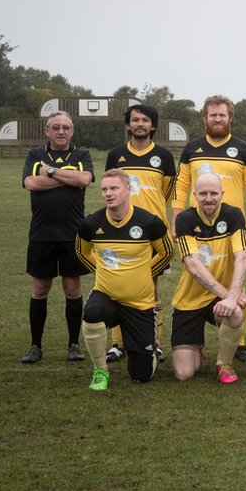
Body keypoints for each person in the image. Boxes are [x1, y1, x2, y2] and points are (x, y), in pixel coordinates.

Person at [172, 95, 246, 363]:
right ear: (205, 118)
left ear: (229, 118)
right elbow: (181, 186)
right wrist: (176, 219)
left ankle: (239, 341)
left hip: (232, 227)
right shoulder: (192, 149)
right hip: (196, 226)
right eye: (213, 115)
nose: (217, 119)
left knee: (238, 275)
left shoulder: (243, 149)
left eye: (222, 115)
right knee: (198, 273)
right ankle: (193, 335)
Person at [76, 169, 173, 390]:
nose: (109, 194)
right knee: (91, 312)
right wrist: (101, 272)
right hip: (106, 296)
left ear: (128, 190)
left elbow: (167, 252)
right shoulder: (91, 223)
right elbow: (82, 252)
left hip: (140, 303)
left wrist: (147, 273)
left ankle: (144, 351)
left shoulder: (149, 222)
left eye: (114, 188)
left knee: (141, 376)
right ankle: (100, 370)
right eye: (104, 189)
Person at [104, 104, 176, 364]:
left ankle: (153, 342)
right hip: (120, 231)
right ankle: (117, 343)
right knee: (118, 285)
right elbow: (110, 189)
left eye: (145, 120)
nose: (140, 124)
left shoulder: (164, 157)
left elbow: (167, 193)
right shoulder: (116, 155)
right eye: (135, 120)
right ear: (128, 125)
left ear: (153, 125)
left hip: (153, 233)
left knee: (151, 287)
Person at [20, 111, 94, 364]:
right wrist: (68, 178)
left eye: (66, 127)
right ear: (47, 131)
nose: (61, 131)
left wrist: (50, 172)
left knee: (72, 289)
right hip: (42, 234)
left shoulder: (81, 155)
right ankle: (35, 346)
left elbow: (85, 179)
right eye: (56, 127)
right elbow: (31, 183)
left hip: (73, 234)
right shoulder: (35, 155)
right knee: (40, 289)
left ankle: (73, 344)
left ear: (72, 131)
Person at [170, 173, 246, 384]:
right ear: (194, 195)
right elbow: (193, 266)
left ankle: (224, 363)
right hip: (190, 299)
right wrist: (228, 295)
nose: (208, 198)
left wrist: (231, 298)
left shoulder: (234, 215)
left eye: (213, 193)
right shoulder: (185, 219)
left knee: (235, 314)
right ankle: (196, 349)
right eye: (203, 193)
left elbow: (242, 257)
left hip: (220, 299)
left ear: (222, 194)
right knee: (184, 373)